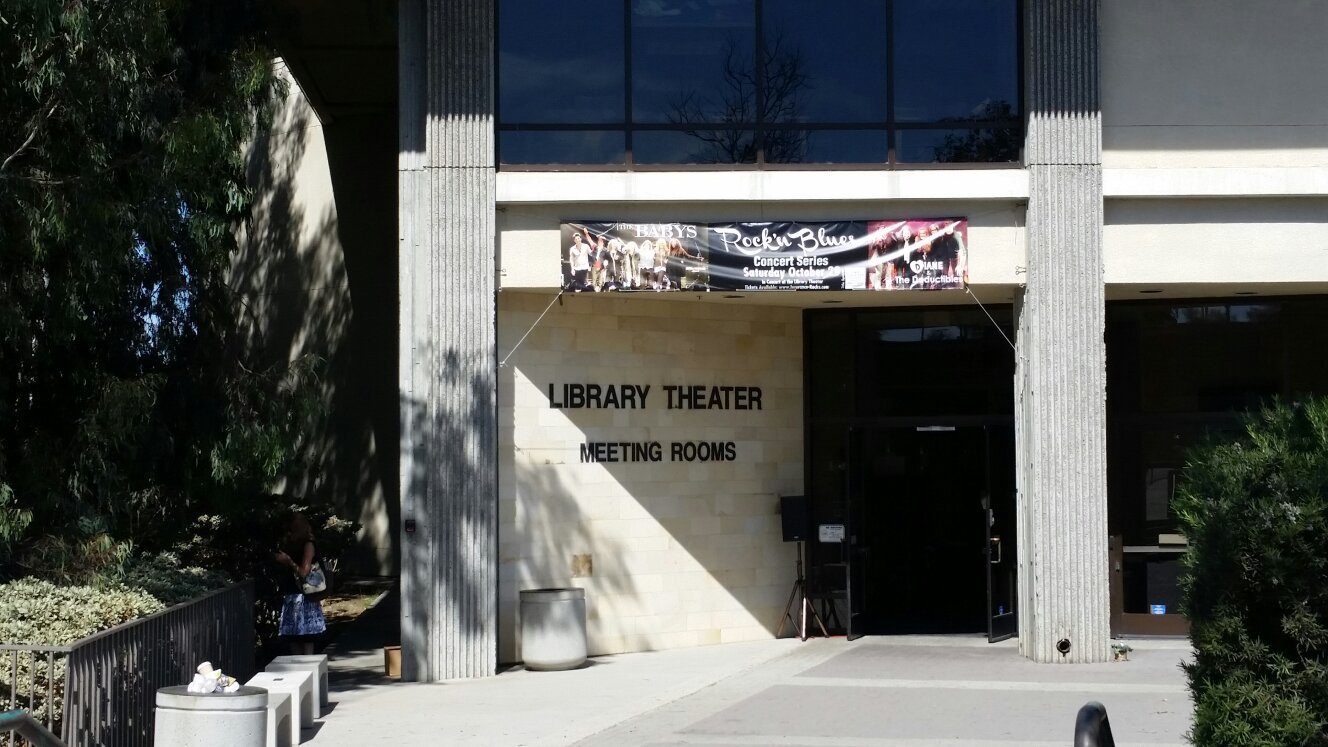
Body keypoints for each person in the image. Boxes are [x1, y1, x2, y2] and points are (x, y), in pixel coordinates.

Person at [273, 512, 327, 655]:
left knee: (306, 639)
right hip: (291, 595)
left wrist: (288, 562)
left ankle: (309, 672)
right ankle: (298, 673)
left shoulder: (308, 544)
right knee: (293, 638)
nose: (289, 534)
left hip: (304, 597)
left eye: (291, 530)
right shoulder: (292, 544)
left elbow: (304, 572)